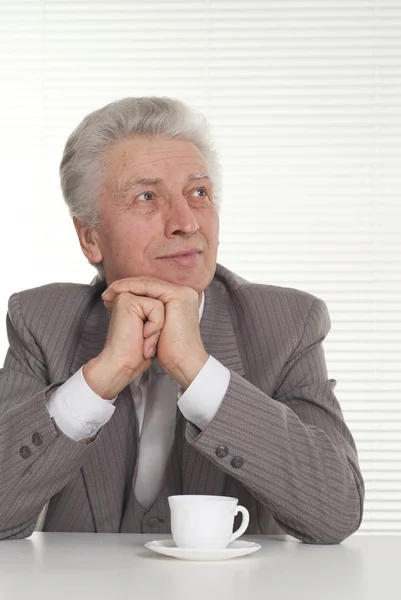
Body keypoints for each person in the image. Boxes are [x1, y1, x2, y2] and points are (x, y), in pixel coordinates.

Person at [0, 97, 364, 543]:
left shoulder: (288, 323)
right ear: (90, 237)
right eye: (147, 197)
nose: (186, 222)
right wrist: (97, 381)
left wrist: (199, 370)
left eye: (199, 193)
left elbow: (336, 514)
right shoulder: (42, 321)